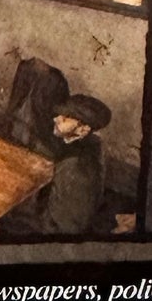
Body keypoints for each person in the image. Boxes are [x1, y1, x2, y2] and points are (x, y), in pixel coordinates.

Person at [41, 93, 111, 237]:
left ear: (83, 129)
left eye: (65, 118)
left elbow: (66, 223)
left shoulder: (76, 165)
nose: (56, 119)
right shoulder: (89, 144)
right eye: (59, 114)